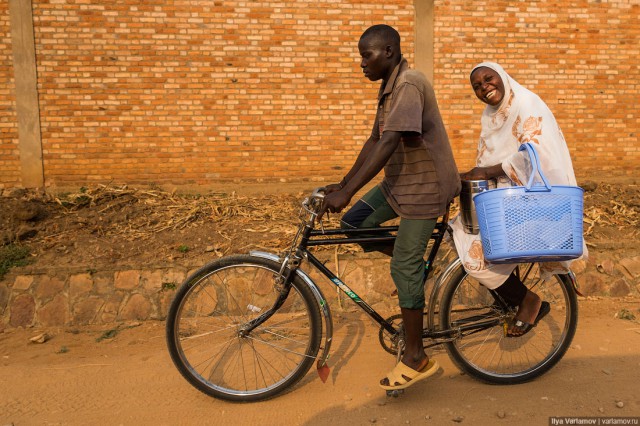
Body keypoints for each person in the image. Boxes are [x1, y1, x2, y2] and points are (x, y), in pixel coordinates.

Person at [318, 24, 461, 391]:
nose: (361, 63)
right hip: (401, 183)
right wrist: (344, 185)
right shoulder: (389, 87)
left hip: (426, 189)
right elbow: (375, 140)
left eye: (367, 55)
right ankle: (412, 262)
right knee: (354, 223)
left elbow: (390, 142)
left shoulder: (409, 82)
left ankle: (416, 356)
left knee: (404, 267)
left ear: (390, 51)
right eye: (361, 56)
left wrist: (349, 191)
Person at [451, 61, 587, 336]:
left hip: (531, 199)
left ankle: (528, 301)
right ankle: (513, 298)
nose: (484, 88)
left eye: (488, 79)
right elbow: (488, 156)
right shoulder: (490, 116)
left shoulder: (527, 104)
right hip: (506, 196)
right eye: (476, 86)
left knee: (476, 249)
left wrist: (487, 171)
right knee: (459, 231)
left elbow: (539, 154)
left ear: (502, 77)